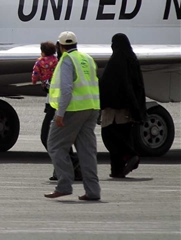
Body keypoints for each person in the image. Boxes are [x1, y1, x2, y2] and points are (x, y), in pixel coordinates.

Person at [45, 31, 101, 201]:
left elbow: (67, 89)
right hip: (92, 107)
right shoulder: (88, 58)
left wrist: (60, 113)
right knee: (87, 151)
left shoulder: (67, 60)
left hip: (73, 109)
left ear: (60, 46)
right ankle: (93, 191)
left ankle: (64, 185)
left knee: (54, 145)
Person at [99, 33, 145, 178]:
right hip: (128, 108)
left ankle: (130, 155)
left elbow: (108, 84)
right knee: (124, 135)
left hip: (114, 108)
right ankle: (117, 170)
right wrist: (136, 106)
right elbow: (137, 85)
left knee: (109, 135)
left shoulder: (116, 61)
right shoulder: (132, 59)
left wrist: (101, 103)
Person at [35, 40, 81, 181]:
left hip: (58, 106)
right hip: (58, 105)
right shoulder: (65, 62)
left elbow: (63, 87)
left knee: (48, 137)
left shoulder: (62, 64)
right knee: (60, 139)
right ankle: (66, 168)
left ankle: (72, 164)